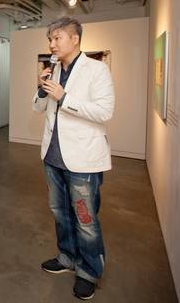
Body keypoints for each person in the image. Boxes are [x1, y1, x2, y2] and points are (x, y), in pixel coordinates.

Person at [33, 16, 115, 300]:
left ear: (75, 39)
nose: (52, 44)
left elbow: (104, 112)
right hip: (52, 157)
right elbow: (38, 108)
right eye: (50, 39)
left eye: (57, 38)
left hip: (83, 160)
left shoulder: (97, 70)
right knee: (60, 213)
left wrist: (65, 97)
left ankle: (89, 271)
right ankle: (67, 257)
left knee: (85, 219)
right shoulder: (53, 71)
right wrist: (41, 87)